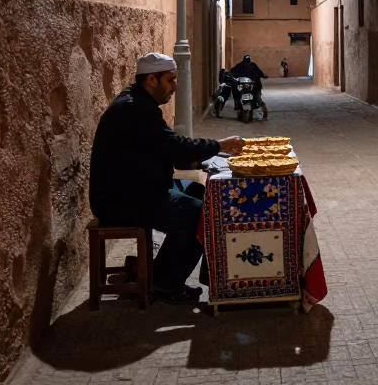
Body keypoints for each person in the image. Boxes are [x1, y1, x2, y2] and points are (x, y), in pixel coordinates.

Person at [89, 52, 244, 302]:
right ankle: (165, 284)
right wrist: (218, 145)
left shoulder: (139, 103)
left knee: (198, 192)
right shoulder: (134, 109)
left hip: (137, 187)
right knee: (197, 213)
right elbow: (173, 144)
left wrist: (197, 159)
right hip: (121, 200)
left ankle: (152, 273)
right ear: (151, 80)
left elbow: (158, 146)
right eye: (170, 80)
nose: (175, 87)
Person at [230, 54, 269, 119]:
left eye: (248, 62)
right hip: (242, 85)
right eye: (246, 62)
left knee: (258, 98)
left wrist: (263, 76)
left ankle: (265, 111)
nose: (247, 64)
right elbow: (233, 72)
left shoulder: (253, 66)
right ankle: (238, 107)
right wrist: (231, 77)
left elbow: (259, 72)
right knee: (237, 94)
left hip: (254, 86)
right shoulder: (239, 66)